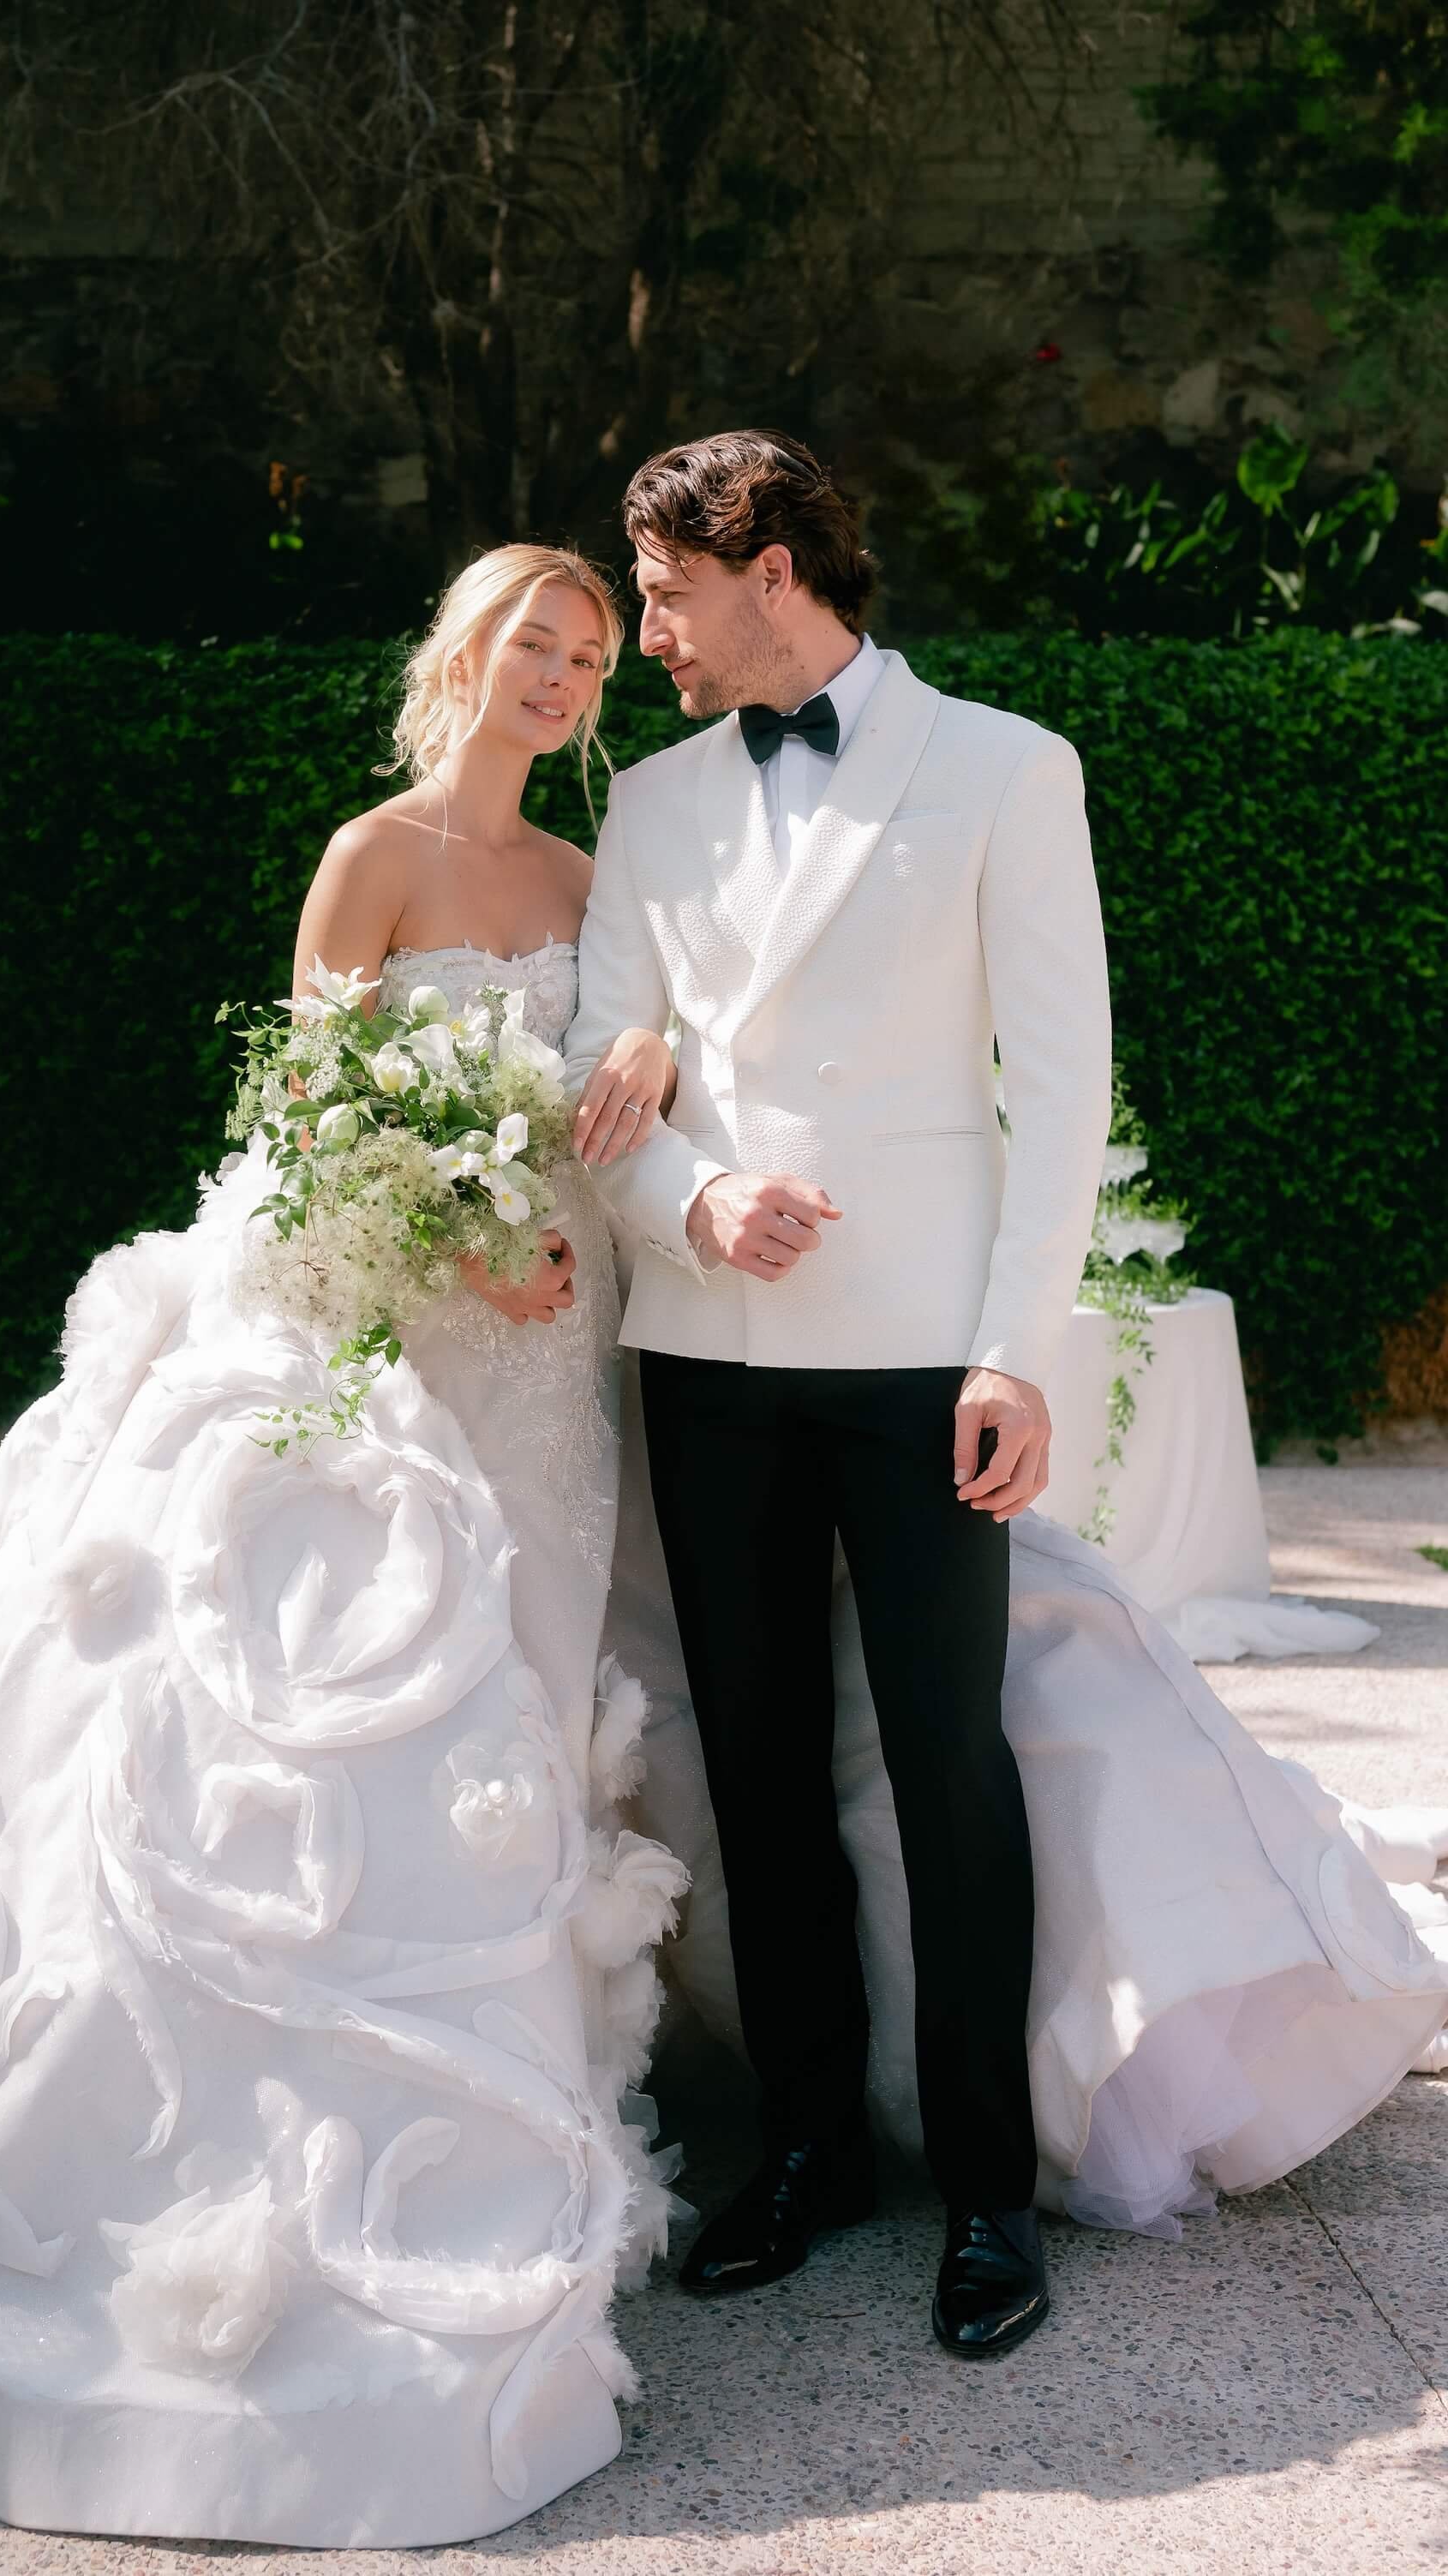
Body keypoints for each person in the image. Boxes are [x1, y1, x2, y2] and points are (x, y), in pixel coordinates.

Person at [0, 545, 692, 2550]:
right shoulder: (382, 851)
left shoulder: (595, 890)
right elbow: (313, 1102)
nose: (565, 671)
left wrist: (635, 1100)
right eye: (539, 637)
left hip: (549, 1339)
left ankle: (545, 2057)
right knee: (363, 1685)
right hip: (396, 1318)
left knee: (530, 1668)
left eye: (592, 652)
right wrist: (445, 1241)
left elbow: (622, 1073)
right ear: (466, 650)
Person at [563, 426, 1448, 2357]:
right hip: (704, 1357)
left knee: (954, 1771)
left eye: (665, 590)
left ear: (771, 565)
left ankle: (983, 2191)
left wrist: (1009, 1356)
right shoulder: (652, 804)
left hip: (917, 1362)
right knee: (761, 1769)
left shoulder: (1004, 770)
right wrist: (694, 1196)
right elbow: (591, 1066)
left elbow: (1059, 1092)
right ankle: (804, 2150)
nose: (648, 635)